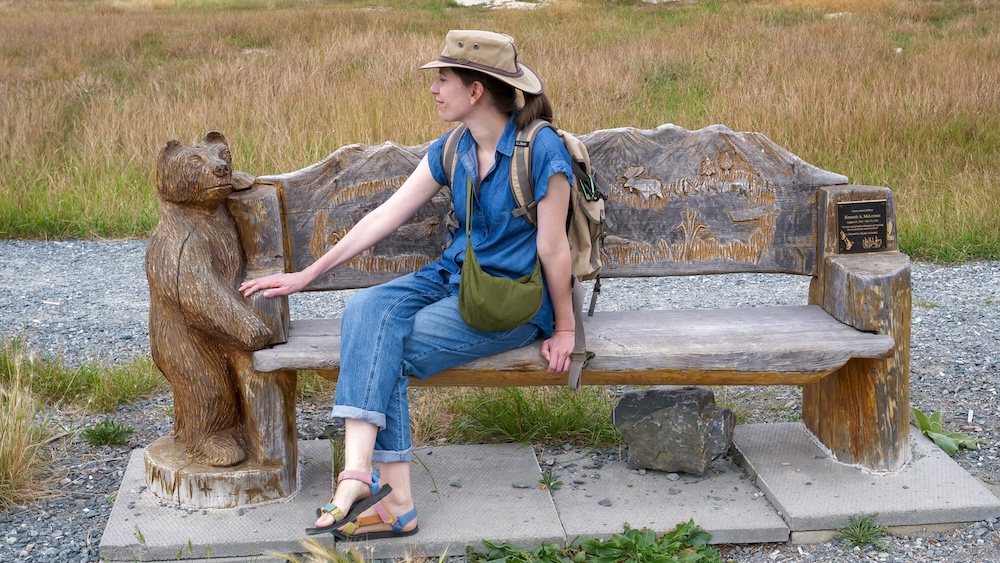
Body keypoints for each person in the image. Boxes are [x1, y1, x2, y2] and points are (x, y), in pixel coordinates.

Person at [239, 29, 576, 541]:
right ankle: (360, 477)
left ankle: (391, 501)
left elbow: (554, 250)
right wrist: (307, 276)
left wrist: (567, 329)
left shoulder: (541, 150)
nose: (434, 89)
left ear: (476, 89)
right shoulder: (456, 147)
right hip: (452, 279)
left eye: (442, 80)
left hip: (511, 300)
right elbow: (386, 215)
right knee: (367, 309)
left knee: (386, 347)